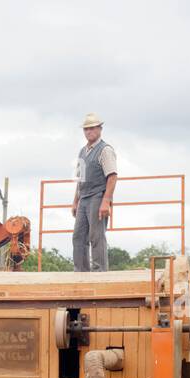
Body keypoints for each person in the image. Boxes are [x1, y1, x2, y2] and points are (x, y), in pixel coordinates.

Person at [71, 113, 118, 272]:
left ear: (100, 129)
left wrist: (106, 201)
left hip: (98, 196)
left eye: (92, 128)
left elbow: (112, 177)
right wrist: (75, 201)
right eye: (86, 129)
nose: (89, 132)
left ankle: (99, 273)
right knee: (78, 237)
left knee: (96, 236)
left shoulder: (105, 150)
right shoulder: (82, 152)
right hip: (83, 197)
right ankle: (81, 272)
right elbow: (80, 179)